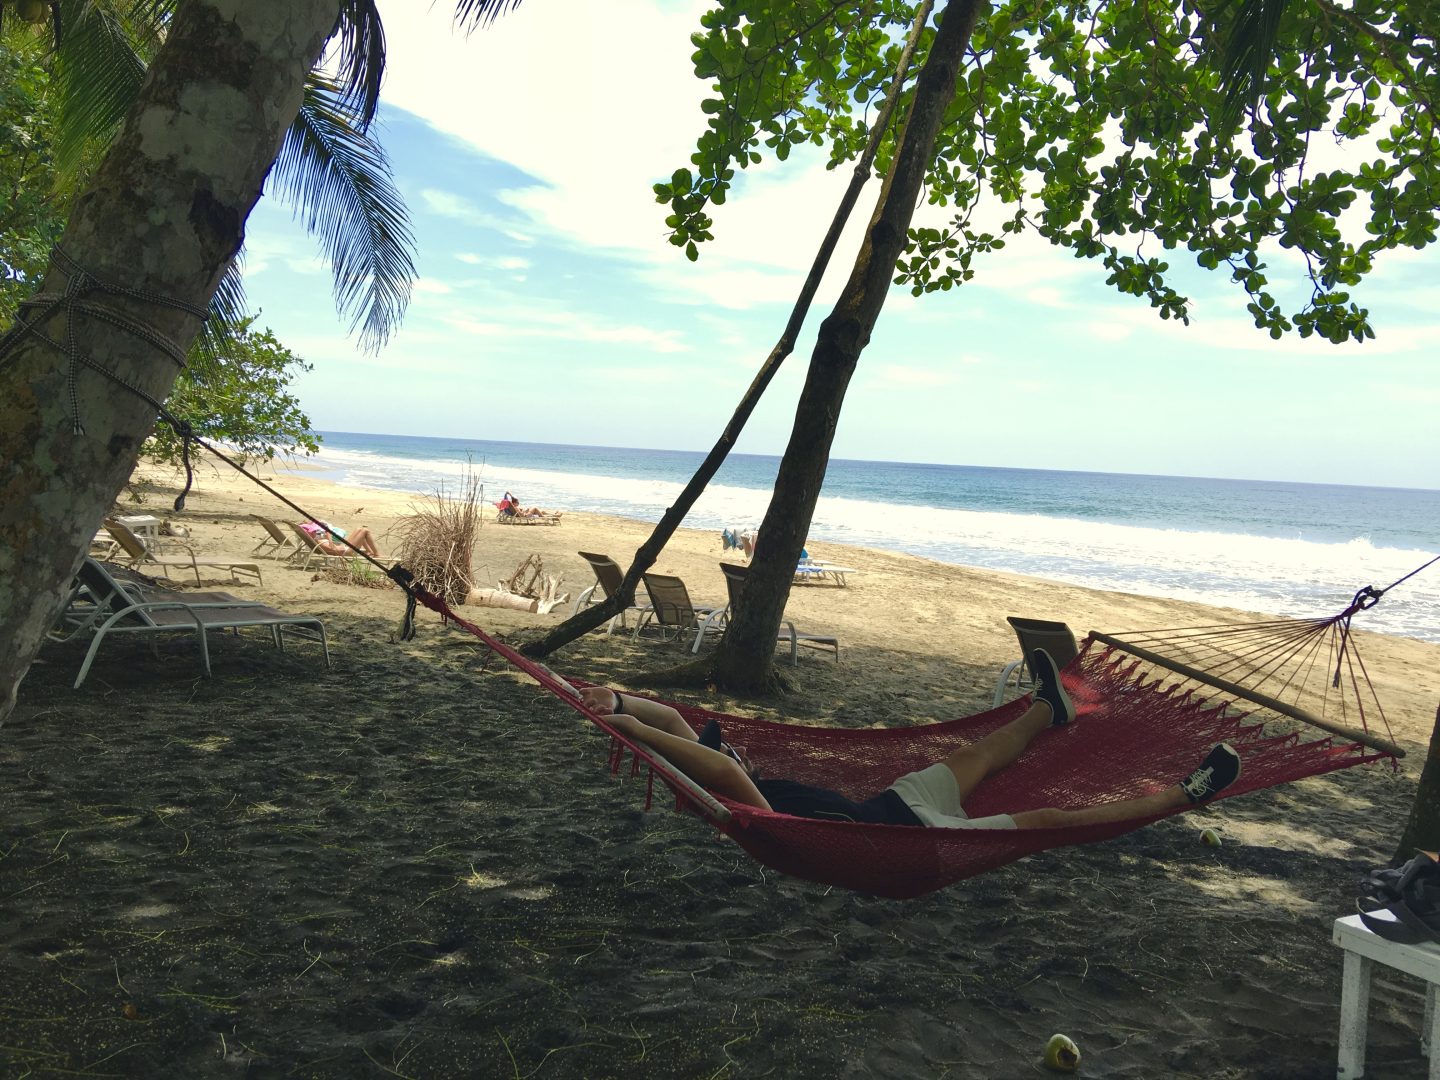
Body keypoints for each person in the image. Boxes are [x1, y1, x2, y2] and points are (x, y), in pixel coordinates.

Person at [580, 649, 1242, 829]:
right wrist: (633, 728)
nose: (736, 752)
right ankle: (1182, 795)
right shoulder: (751, 810)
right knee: (1047, 818)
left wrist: (622, 702)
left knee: (973, 755)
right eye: (726, 751)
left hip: (893, 808)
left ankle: (1051, 709)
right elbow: (718, 771)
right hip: (917, 838)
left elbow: (678, 729)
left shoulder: (735, 775)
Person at [300, 519, 381, 558]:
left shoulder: (315, 538)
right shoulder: (316, 537)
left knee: (359, 529)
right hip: (347, 552)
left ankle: (369, 551)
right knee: (365, 531)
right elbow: (327, 532)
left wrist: (330, 541)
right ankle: (376, 554)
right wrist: (330, 541)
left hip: (344, 548)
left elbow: (326, 532)